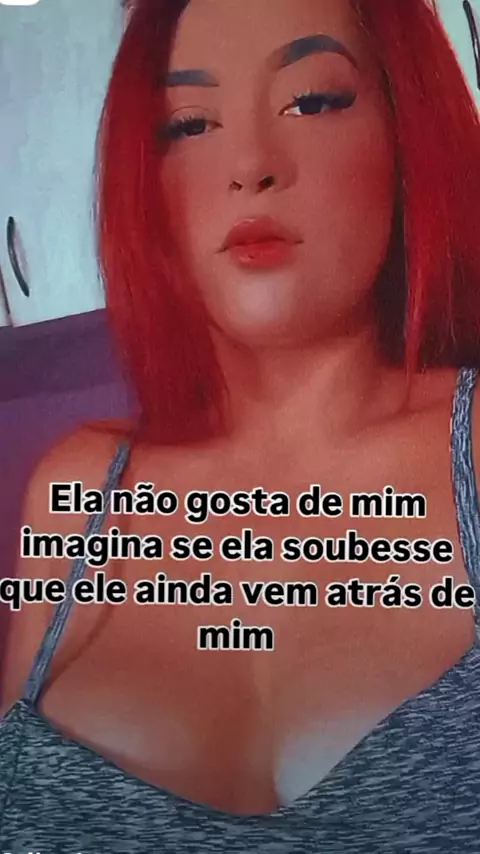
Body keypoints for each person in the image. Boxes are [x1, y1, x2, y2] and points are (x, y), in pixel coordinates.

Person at [1, 0, 480, 850]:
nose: (251, 165)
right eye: (189, 124)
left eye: (313, 101)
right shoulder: (75, 496)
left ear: (407, 133)